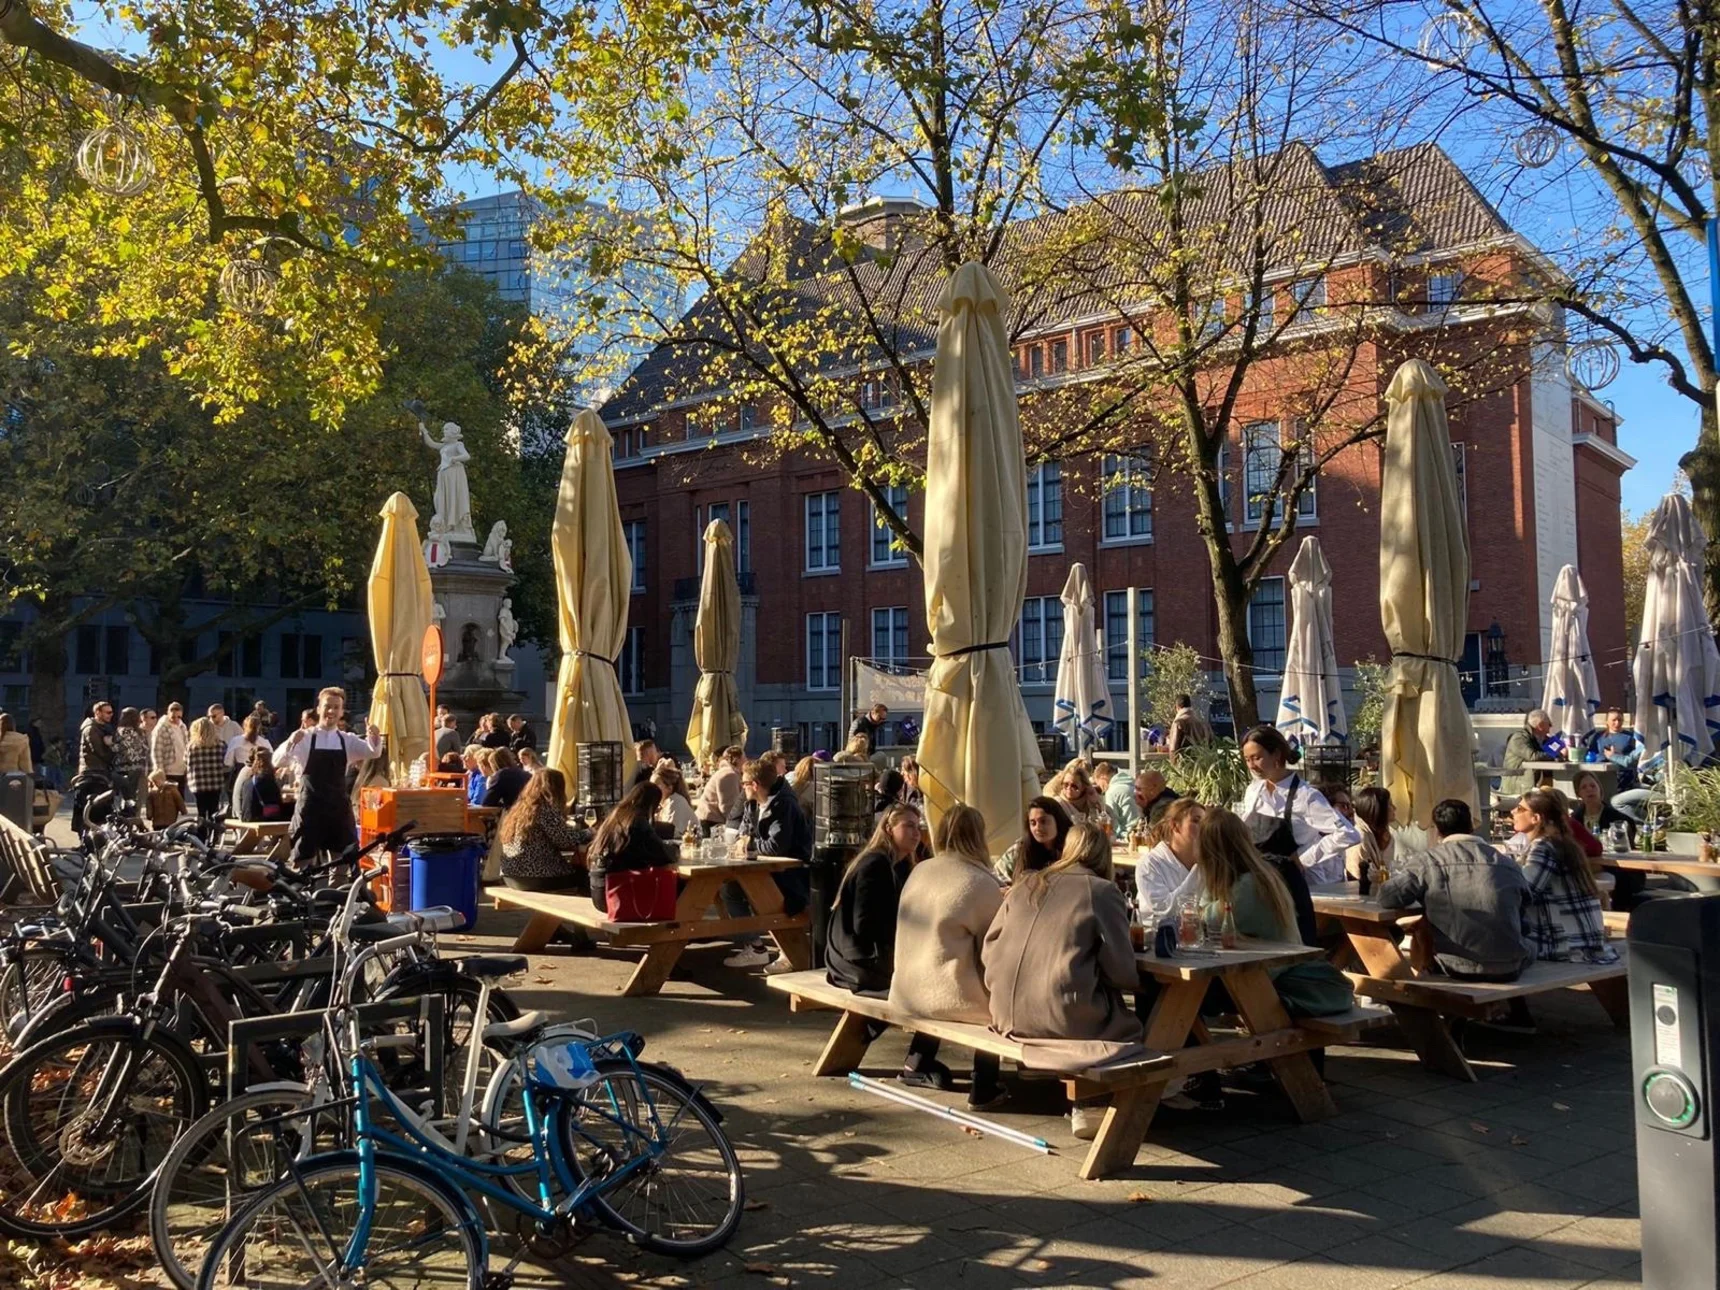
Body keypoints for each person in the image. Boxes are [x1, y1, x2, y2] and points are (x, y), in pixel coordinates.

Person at [983, 825, 1146, 1140]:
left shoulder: (1026, 883)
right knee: (1132, 1027)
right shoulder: (1101, 891)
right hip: (1060, 1018)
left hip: (1004, 1012)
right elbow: (1124, 973)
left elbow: (990, 947)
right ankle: (1095, 1100)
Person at [890, 805, 1007, 1109]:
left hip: (906, 988)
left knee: (941, 967)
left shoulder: (921, 869)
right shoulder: (980, 882)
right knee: (1000, 993)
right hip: (949, 997)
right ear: (979, 837)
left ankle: (917, 1061)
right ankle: (985, 1081)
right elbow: (995, 951)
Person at [1196, 810, 1356, 1016]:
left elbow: (1206, 920)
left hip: (1272, 979)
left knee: (1194, 993)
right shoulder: (1261, 874)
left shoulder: (1250, 886)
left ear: (1209, 850)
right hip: (1269, 974)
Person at [1377, 799, 1532, 980]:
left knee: (1422, 926)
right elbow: (1524, 914)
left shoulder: (1428, 861)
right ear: (1471, 825)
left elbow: (1387, 897)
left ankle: (1418, 995)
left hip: (1453, 965)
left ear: (1437, 830)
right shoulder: (1507, 863)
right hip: (1510, 965)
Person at [1239, 725, 1358, 940]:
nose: (1251, 765)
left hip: (1295, 884)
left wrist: (1304, 859)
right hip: (1260, 881)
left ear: (1276, 754)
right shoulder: (1253, 791)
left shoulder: (1307, 796)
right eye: (1247, 759)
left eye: (1256, 758)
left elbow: (1348, 834)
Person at [272, 687, 383, 865]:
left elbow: (373, 752)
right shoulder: (305, 737)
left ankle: (334, 892)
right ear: (318, 709)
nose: (331, 711)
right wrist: (292, 742)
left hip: (337, 809)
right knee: (303, 862)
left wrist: (374, 736)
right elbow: (277, 760)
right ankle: (305, 892)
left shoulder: (347, 739)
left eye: (336, 707)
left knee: (342, 861)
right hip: (310, 810)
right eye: (327, 706)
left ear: (341, 712)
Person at [722, 758, 814, 970]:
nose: (741, 787)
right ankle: (755, 946)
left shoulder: (784, 804)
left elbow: (776, 847)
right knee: (730, 888)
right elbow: (742, 834)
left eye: (744, 783)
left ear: (755, 785)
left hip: (790, 875)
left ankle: (789, 953)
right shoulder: (752, 803)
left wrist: (748, 846)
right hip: (763, 869)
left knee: (763, 894)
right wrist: (746, 843)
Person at [825, 804, 923, 994]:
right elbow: (865, 926)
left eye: (918, 828)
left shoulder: (892, 864)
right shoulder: (876, 864)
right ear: (889, 829)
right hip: (856, 965)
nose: (916, 834)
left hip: (851, 958)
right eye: (909, 826)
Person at [1513, 789, 1618, 964]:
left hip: (1563, 945)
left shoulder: (1543, 846)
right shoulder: (1565, 841)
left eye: (1520, 808)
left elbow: (1525, 893)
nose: (1513, 812)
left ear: (1536, 818)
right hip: (1587, 940)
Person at [500, 768, 593, 892]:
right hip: (536, 876)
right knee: (587, 876)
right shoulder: (543, 808)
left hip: (511, 874)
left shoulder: (520, 808)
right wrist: (591, 832)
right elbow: (564, 840)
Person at [587, 783, 672, 910]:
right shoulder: (637, 822)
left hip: (598, 894)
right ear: (650, 805)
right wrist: (676, 850)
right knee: (675, 885)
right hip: (618, 898)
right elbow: (663, 855)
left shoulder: (615, 816)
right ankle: (674, 927)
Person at [1134, 798, 1206, 918]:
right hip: (1157, 934)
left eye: (1205, 822)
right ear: (1175, 826)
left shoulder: (1209, 861)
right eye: (1196, 821)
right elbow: (1164, 911)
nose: (1203, 827)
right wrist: (1200, 870)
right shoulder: (1150, 864)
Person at [995, 797, 1072, 882]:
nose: (1038, 828)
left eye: (1043, 821)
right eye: (1033, 823)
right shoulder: (1019, 850)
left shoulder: (1073, 849)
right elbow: (997, 875)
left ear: (1058, 821)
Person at [71, 700, 118, 831]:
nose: (111, 715)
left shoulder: (104, 728)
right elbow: (101, 752)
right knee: (92, 809)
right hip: (92, 773)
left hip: (100, 772)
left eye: (112, 712)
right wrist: (112, 749)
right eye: (107, 712)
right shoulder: (91, 729)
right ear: (97, 713)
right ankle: (87, 841)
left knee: (101, 810)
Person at [1343, 785, 1396, 882]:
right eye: (1390, 805)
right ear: (1378, 810)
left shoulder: (1386, 835)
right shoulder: (1359, 838)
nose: (1395, 808)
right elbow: (1357, 876)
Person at [1502, 709, 1557, 795]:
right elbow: (1533, 756)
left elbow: (1542, 755)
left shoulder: (1533, 738)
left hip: (1527, 784)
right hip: (1517, 788)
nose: (1549, 730)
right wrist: (1554, 755)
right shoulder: (1519, 738)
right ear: (1540, 725)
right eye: (1549, 725)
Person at [185, 716, 228, 822]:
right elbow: (226, 762)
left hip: (198, 784)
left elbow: (186, 762)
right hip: (216, 782)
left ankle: (202, 834)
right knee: (214, 808)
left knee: (201, 810)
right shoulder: (221, 745)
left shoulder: (192, 747)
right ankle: (215, 833)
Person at [1591, 709, 1644, 790]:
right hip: (1600, 776)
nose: (1617, 723)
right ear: (1607, 721)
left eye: (1619, 720)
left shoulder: (1630, 737)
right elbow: (1591, 754)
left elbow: (1633, 759)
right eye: (1614, 720)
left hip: (1623, 779)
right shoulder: (1598, 737)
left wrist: (1614, 756)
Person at [698, 745, 744, 832]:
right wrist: (738, 826)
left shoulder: (727, 772)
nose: (747, 760)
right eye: (744, 758)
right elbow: (728, 808)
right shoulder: (729, 775)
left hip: (709, 821)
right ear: (737, 759)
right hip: (711, 825)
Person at [653, 761, 700, 836]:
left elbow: (672, 834)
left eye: (656, 786)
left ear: (669, 788)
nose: (651, 790)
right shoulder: (665, 804)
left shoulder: (675, 802)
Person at [240, 748, 286, 822]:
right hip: (259, 817)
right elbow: (277, 801)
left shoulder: (248, 779)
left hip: (246, 816)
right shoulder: (268, 779)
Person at [151, 702, 189, 791]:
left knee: (180, 799)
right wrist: (159, 769)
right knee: (168, 800)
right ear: (168, 714)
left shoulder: (183, 726)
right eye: (173, 717)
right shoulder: (161, 728)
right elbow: (157, 750)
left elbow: (186, 746)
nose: (176, 719)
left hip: (182, 769)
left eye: (179, 717)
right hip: (168, 769)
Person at [116, 709, 149, 806]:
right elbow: (146, 748)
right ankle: (133, 814)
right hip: (139, 766)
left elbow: (121, 747)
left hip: (124, 766)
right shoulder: (141, 732)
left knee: (126, 794)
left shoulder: (122, 731)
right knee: (134, 793)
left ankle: (125, 814)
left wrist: (109, 743)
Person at [1166, 695, 1211, 761]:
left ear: (1177, 707)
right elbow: (1211, 745)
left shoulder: (1179, 722)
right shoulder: (1203, 723)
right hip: (1202, 765)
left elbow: (1173, 749)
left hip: (1185, 765)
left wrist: (1174, 767)